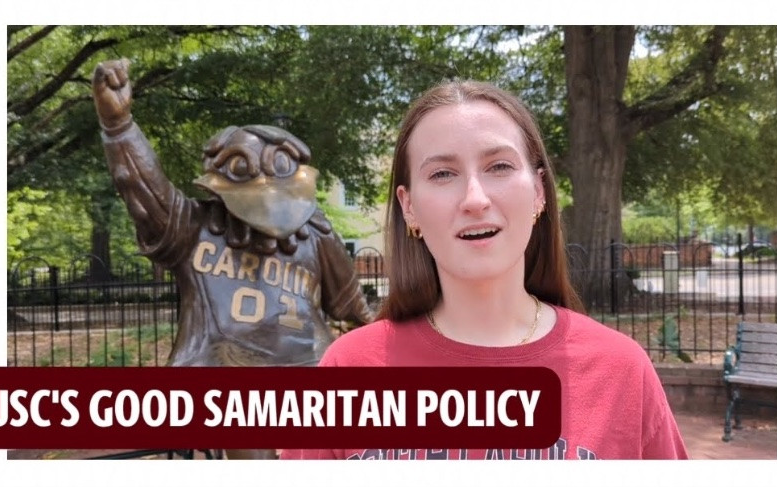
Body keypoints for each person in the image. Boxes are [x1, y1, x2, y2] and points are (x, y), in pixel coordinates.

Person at [280, 80, 688, 460]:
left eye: (499, 167)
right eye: (442, 174)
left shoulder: (620, 372)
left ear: (539, 192)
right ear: (409, 207)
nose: (475, 198)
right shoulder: (348, 371)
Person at [92, 59, 374, 459]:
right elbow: (145, 191)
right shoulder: (194, 225)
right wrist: (119, 128)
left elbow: (353, 306)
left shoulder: (314, 233)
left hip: (311, 372)